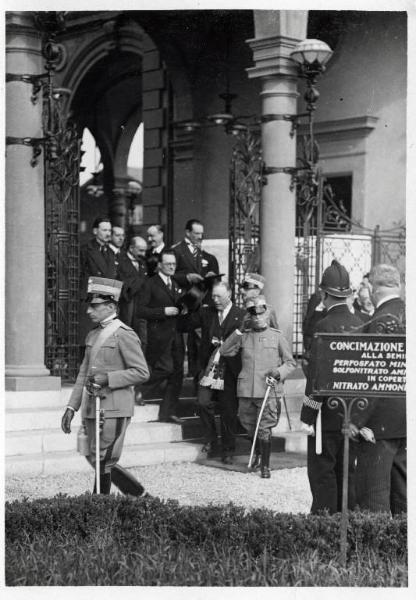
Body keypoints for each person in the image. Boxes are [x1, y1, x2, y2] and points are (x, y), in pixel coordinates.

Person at [61, 277, 150, 495]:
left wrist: (108, 378)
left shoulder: (124, 335)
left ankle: (99, 508)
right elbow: (83, 373)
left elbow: (141, 372)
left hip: (114, 407)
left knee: (104, 458)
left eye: (95, 306)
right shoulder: (92, 334)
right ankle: (140, 496)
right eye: (89, 305)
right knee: (94, 456)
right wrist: (72, 407)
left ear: (111, 306)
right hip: (93, 407)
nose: (89, 311)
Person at [300, 260, 363, 514]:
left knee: (322, 471)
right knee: (346, 470)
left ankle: (323, 523)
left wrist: (308, 415)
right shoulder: (361, 324)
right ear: (347, 295)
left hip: (326, 413)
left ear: (324, 295)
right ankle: (343, 520)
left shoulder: (323, 326)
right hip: (354, 413)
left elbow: (316, 377)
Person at [220, 295, 296, 478]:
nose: (257, 318)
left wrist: (278, 372)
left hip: (268, 390)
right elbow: (224, 351)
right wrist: (238, 331)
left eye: (261, 315)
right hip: (247, 390)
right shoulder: (244, 337)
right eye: (254, 316)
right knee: (249, 425)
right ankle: (259, 454)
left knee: (265, 427)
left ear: (267, 315)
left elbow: (290, 363)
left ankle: (265, 466)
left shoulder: (277, 337)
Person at [355, 263, 406, 515]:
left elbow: (376, 376)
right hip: (406, 418)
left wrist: (356, 420)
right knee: (402, 490)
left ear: (373, 289)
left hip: (380, 421)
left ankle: (376, 552)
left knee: (373, 493)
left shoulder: (380, 320)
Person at [179, 281, 245, 463]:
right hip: (209, 368)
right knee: (202, 402)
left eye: (219, 296)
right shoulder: (206, 312)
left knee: (228, 411)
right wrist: (189, 301)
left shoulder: (241, 314)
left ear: (229, 295)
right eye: (213, 296)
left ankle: (228, 450)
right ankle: (211, 439)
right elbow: (183, 325)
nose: (215, 300)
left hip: (231, 370)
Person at [136, 250, 185, 424]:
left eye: (174, 264)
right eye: (168, 264)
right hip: (159, 335)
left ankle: (168, 412)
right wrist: (162, 312)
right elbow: (140, 310)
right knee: (166, 369)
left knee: (177, 373)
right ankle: (138, 387)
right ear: (159, 266)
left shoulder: (176, 282)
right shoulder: (150, 284)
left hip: (177, 335)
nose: (172, 266)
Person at [171, 219, 220, 379]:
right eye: (197, 233)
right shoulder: (177, 251)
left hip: (203, 302)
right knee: (182, 342)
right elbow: (169, 275)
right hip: (186, 302)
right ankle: (183, 375)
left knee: (202, 342)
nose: (200, 236)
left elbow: (216, 280)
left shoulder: (206, 256)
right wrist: (187, 277)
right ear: (187, 233)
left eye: (201, 233)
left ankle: (199, 376)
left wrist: (212, 278)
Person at [79, 216, 118, 342]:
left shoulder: (111, 252)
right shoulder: (86, 249)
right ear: (95, 231)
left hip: (107, 302)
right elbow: (80, 275)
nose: (108, 234)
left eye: (109, 231)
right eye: (104, 230)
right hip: (91, 300)